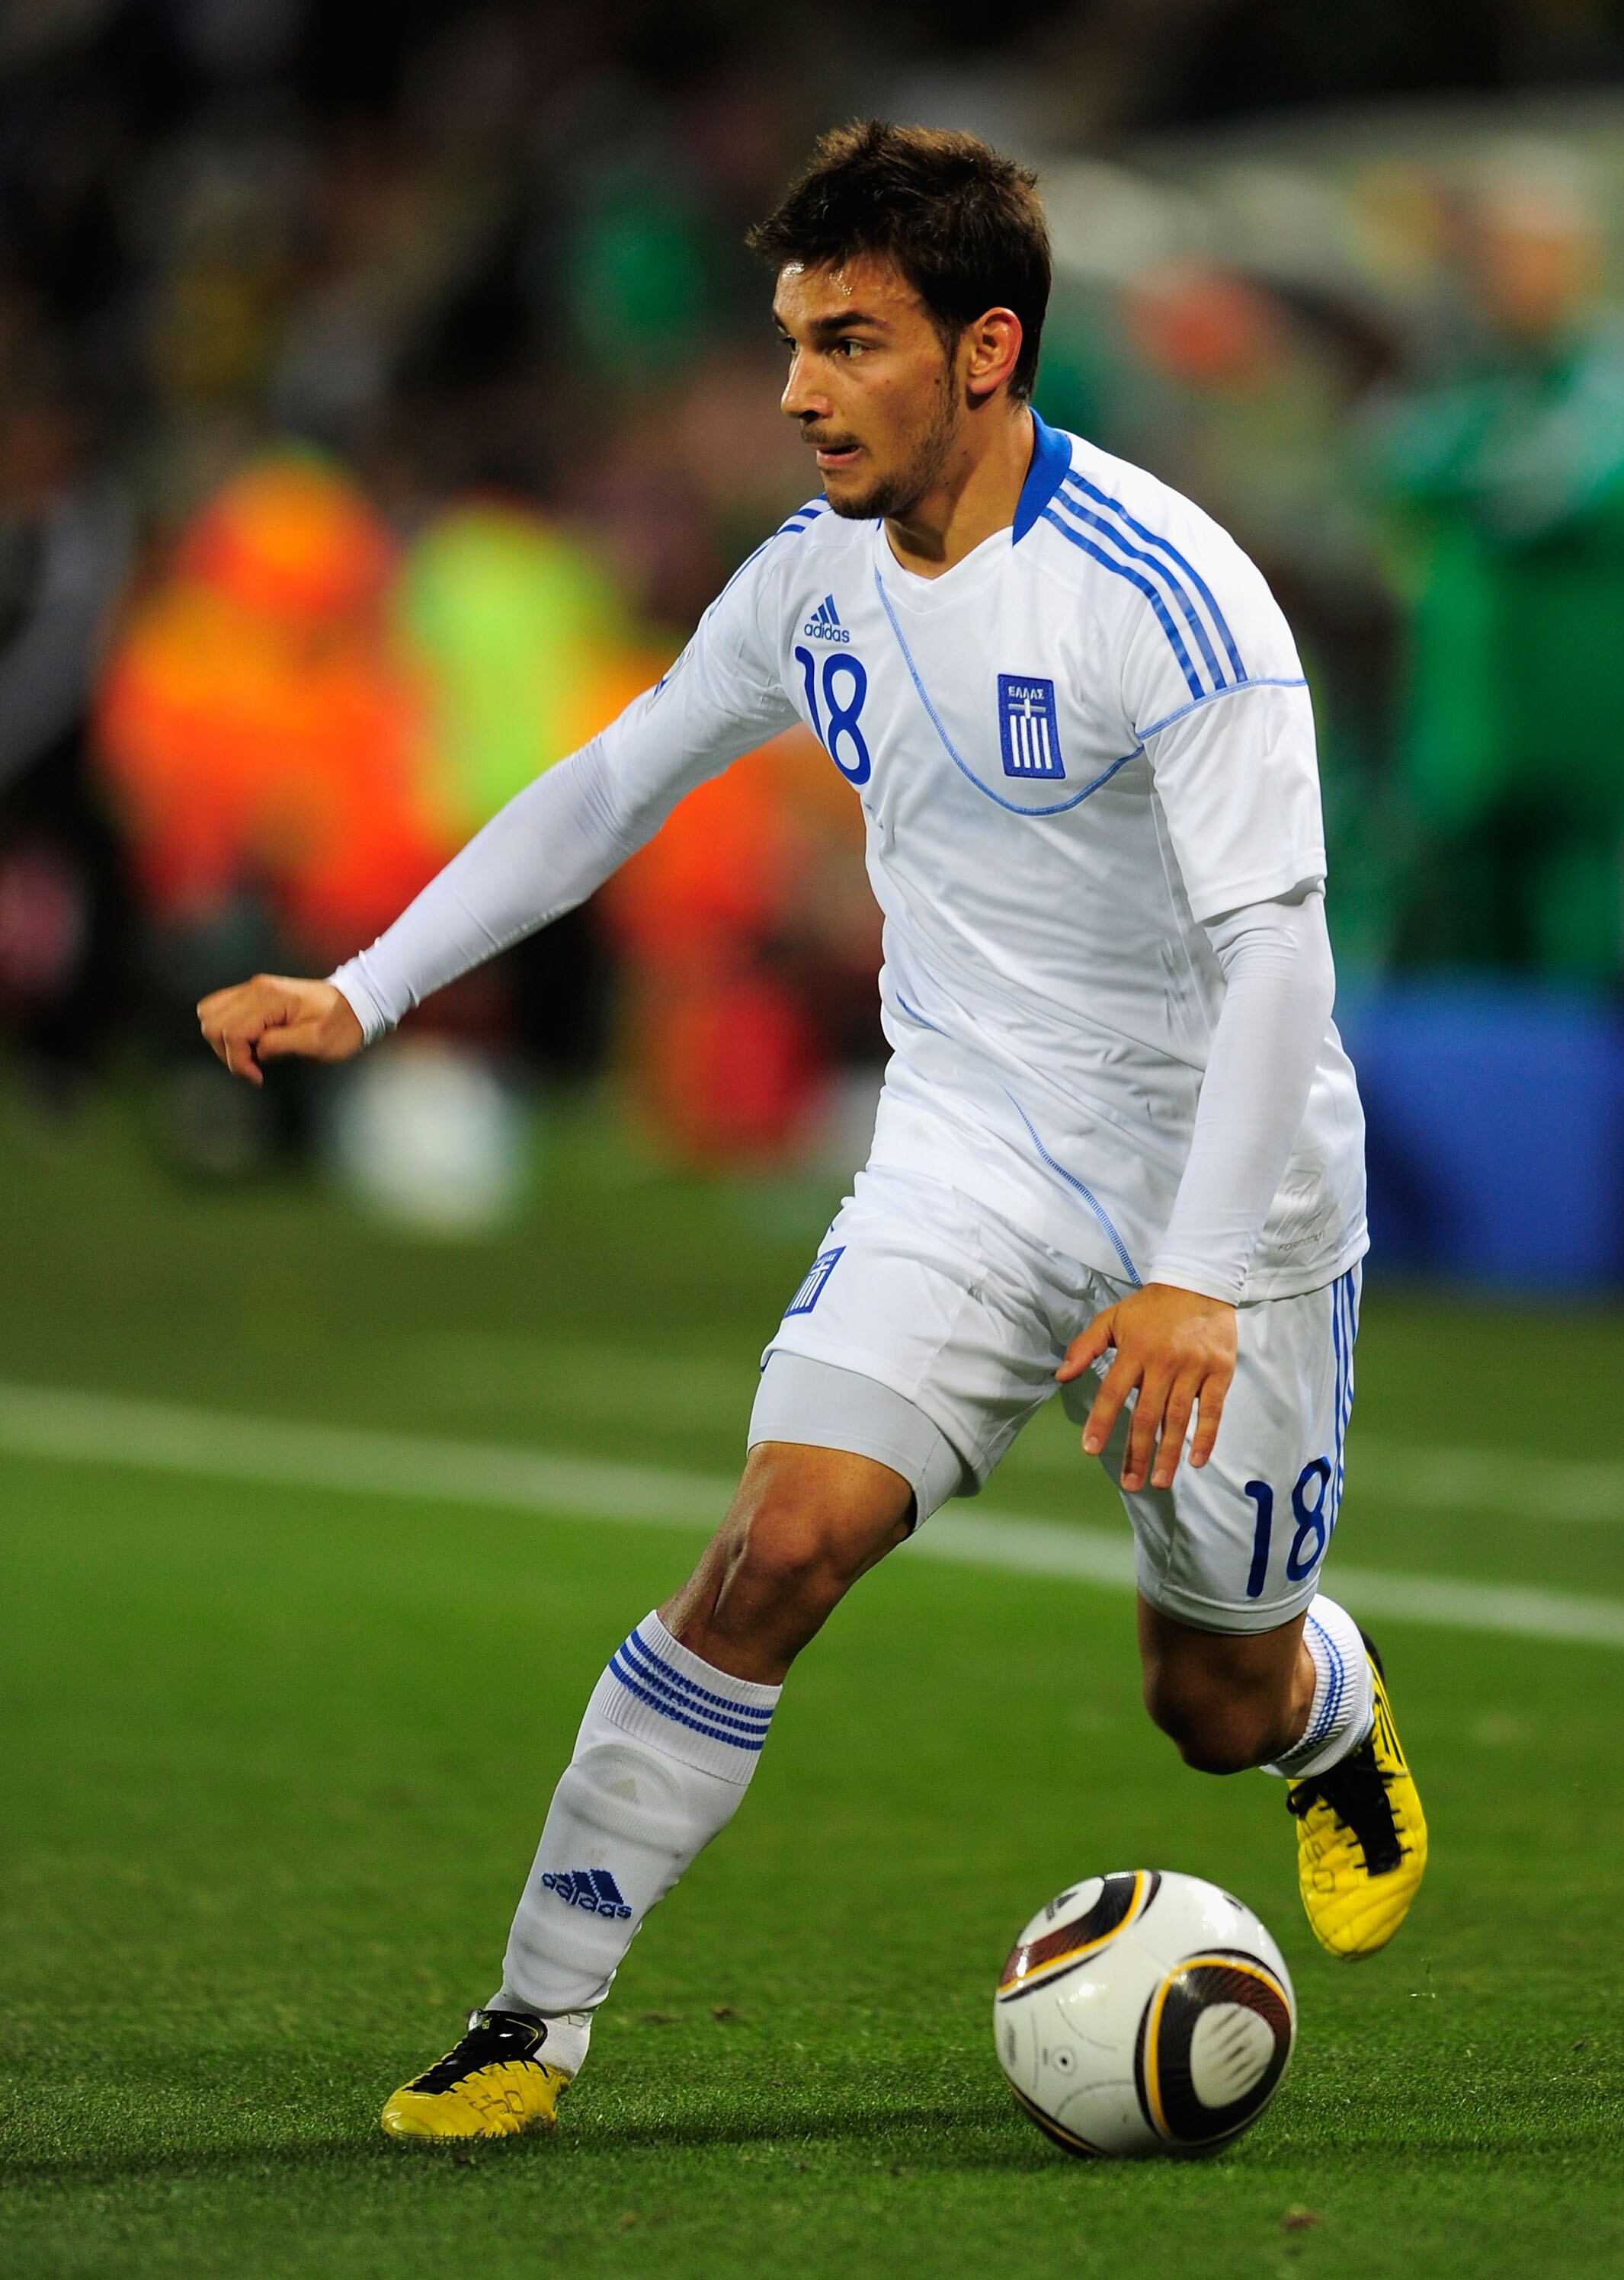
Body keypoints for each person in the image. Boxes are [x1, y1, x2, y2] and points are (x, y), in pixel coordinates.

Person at [199, 123, 1426, 2145]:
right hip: (968, 1151)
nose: (792, 390)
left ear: (984, 349)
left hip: (1228, 1189)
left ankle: (1327, 1713)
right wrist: (370, 986)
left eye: (848, 342)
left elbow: (1277, 956)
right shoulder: (809, 582)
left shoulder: (1172, 596)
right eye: (789, 340)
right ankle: (533, 2017)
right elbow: (610, 785)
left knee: (1203, 1700)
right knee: (774, 1548)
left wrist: (1195, 1277)